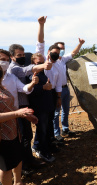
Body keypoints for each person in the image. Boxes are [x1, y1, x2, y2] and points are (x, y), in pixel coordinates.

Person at [36, 16, 85, 142]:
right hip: (49, 92)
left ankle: (64, 129)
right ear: (50, 51)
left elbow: (73, 54)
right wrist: (41, 25)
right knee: (54, 114)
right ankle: (54, 135)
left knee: (65, 111)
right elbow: (40, 43)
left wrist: (80, 44)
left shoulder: (61, 60)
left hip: (63, 89)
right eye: (58, 50)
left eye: (61, 50)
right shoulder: (44, 60)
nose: (59, 53)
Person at [7, 44, 52, 173]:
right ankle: (23, 166)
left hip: (24, 106)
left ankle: (29, 161)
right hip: (18, 108)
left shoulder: (18, 67)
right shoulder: (14, 69)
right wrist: (43, 65)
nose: (21, 57)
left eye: (22, 55)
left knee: (27, 135)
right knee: (23, 137)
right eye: (18, 55)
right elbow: (26, 70)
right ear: (12, 57)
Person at [0, 66, 38, 185]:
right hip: (3, 135)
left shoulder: (2, 88)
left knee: (17, 158)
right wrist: (17, 113)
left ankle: (18, 182)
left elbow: (10, 107)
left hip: (14, 130)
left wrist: (24, 115)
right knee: (6, 166)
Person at [27, 52, 56, 162]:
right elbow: (30, 92)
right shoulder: (32, 76)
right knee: (42, 131)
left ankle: (40, 147)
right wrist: (43, 87)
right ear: (33, 63)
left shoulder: (44, 74)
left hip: (47, 107)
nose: (42, 64)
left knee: (45, 130)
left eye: (42, 62)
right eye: (39, 63)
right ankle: (43, 152)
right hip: (40, 109)